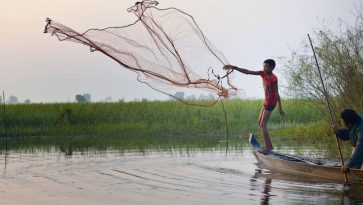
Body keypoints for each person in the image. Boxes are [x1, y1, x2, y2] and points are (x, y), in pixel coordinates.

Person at [224, 59, 285, 154]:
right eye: (264, 66)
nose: (264, 68)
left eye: (267, 67)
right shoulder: (262, 74)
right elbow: (248, 72)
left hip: (271, 103)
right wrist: (234, 67)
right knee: (259, 122)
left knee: (263, 124)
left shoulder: (274, 78)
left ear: (272, 68)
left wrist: (280, 108)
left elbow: (277, 93)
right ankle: (270, 146)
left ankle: (268, 148)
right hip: (266, 102)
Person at [331, 109, 363, 173]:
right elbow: (349, 134)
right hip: (359, 147)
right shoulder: (354, 120)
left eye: (342, 122)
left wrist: (349, 164)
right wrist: (338, 132)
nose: (341, 123)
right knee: (353, 168)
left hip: (361, 147)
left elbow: (360, 149)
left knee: (352, 165)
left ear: (349, 123)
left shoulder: (361, 128)